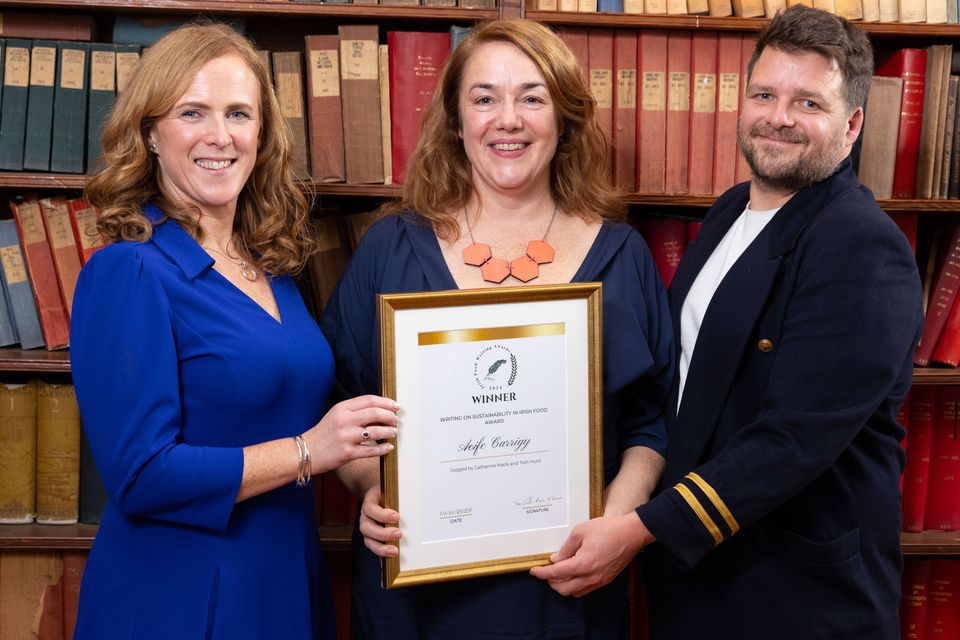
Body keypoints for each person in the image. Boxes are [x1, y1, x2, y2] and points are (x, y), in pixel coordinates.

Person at [531, 6, 923, 639]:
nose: (779, 118)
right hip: (698, 573)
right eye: (764, 94)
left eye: (808, 103)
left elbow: (790, 442)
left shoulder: (862, 247)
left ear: (852, 125)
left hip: (791, 592)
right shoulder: (730, 211)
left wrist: (637, 529)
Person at [320, 18, 674, 639]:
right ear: (456, 122)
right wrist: (371, 487)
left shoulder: (624, 256)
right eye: (484, 98)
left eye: (532, 97)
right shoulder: (390, 249)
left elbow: (652, 424)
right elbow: (341, 404)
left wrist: (617, 529)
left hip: (569, 587)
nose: (507, 119)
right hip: (418, 588)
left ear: (562, 120)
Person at [69, 23, 398, 639]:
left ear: (262, 134)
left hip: (283, 579)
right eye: (193, 112)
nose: (220, 136)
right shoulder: (128, 271)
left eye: (239, 113)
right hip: (181, 596)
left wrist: (373, 480)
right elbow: (141, 476)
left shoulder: (270, 269)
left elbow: (309, 412)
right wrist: (307, 452)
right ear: (150, 134)